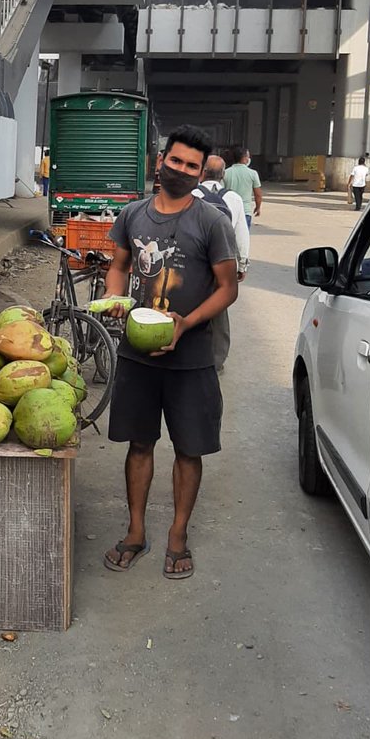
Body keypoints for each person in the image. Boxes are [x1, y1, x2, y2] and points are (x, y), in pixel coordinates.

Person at [101, 125, 239, 579]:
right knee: (140, 443)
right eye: (175, 161)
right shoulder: (133, 215)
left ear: (202, 173)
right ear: (161, 161)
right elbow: (118, 267)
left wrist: (187, 323)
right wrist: (117, 302)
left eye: (191, 166)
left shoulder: (212, 222)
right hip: (137, 356)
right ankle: (136, 531)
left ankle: (177, 535)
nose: (181, 171)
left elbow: (227, 289)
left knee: (188, 448)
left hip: (191, 356)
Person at [194, 154, 249, 372]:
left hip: (194, 262)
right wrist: (242, 264)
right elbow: (241, 235)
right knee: (218, 310)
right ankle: (216, 360)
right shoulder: (234, 199)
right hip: (222, 262)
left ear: (202, 172)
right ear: (223, 175)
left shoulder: (192, 194)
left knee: (187, 304)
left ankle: (186, 353)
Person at [224, 146, 262, 230]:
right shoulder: (253, 174)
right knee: (243, 240)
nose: (249, 158)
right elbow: (258, 194)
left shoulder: (225, 173)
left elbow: (220, 192)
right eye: (248, 156)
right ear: (244, 158)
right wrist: (258, 207)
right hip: (245, 211)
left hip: (228, 210)